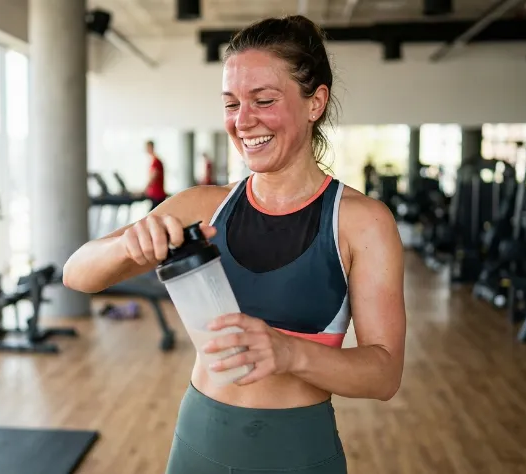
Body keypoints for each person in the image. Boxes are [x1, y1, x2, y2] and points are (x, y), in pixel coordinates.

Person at [63, 15, 406, 474]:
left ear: (315, 102)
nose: (243, 121)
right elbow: (76, 274)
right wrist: (129, 244)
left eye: (263, 100)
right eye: (231, 104)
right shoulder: (204, 205)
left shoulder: (362, 222)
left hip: (297, 452)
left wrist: (290, 353)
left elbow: (384, 374)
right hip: (199, 442)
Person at [144, 140, 166, 210]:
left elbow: (153, 177)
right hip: (154, 195)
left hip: (157, 195)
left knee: (151, 217)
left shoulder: (156, 161)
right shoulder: (154, 161)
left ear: (151, 147)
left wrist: (145, 189)